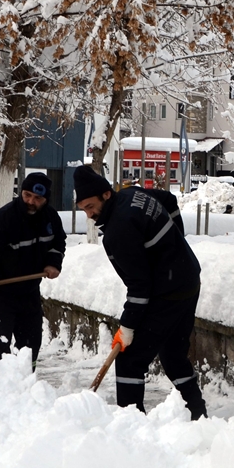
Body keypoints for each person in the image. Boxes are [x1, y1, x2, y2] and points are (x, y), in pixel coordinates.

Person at [73, 164, 207, 420]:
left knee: (129, 360)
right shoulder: (132, 194)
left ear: (105, 195)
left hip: (167, 292)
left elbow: (139, 287)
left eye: (90, 207)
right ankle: (198, 414)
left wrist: (127, 328)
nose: (89, 215)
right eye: (84, 210)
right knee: (173, 355)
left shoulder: (119, 230)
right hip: (187, 279)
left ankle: (130, 425)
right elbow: (168, 200)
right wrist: (176, 245)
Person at [0, 172, 66, 365]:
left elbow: (58, 243)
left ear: (46, 199)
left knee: (30, 347)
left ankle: (26, 388)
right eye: (27, 195)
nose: (31, 202)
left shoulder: (51, 218)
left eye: (37, 198)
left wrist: (53, 263)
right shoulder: (5, 218)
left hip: (29, 292)